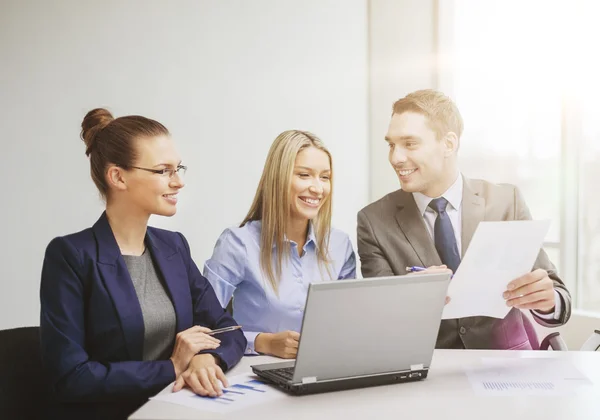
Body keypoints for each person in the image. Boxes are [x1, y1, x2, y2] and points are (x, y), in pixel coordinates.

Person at [40, 108, 246, 419]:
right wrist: (172, 367)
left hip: (184, 409)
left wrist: (209, 359)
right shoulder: (71, 256)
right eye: (163, 170)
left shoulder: (174, 246)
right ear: (118, 176)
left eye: (179, 169)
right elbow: (72, 378)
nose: (178, 182)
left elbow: (228, 329)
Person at [357, 89, 571, 350]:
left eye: (410, 144)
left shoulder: (506, 202)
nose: (395, 157)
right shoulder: (374, 221)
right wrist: (413, 298)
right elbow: (379, 321)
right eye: (391, 144)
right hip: (428, 372)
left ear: (449, 143)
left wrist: (548, 300)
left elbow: (558, 297)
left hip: (506, 366)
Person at [204, 130, 356, 358]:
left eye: (324, 177)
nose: (317, 188)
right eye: (304, 175)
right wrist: (261, 342)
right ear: (278, 178)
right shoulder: (238, 243)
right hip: (256, 373)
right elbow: (205, 328)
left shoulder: (340, 244)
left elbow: (350, 322)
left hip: (325, 367)